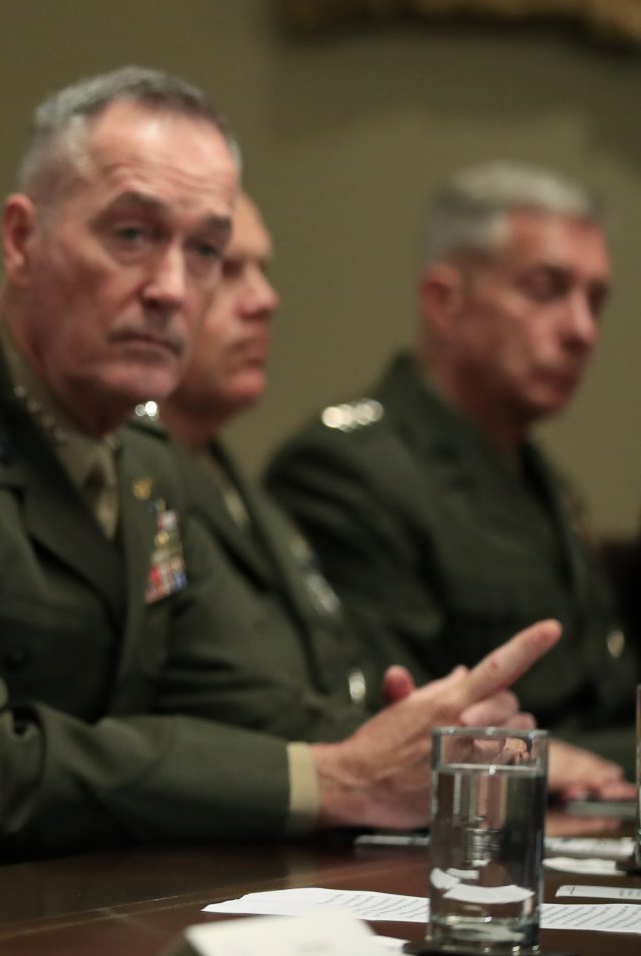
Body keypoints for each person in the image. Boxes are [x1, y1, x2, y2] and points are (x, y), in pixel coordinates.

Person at [0, 67, 560, 861]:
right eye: (132, 235)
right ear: (22, 239)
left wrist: (428, 740)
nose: (172, 288)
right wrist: (337, 777)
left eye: (207, 250)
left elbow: (242, 699)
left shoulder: (148, 459)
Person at [267, 162, 638, 768]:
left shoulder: (543, 479)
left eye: (595, 300)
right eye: (547, 289)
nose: (581, 329)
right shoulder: (346, 472)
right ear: (444, 301)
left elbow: (609, 696)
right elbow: (399, 727)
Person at [141, 193, 372, 709]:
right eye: (226, 270)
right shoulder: (125, 479)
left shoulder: (238, 485)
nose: (265, 300)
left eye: (263, 270)